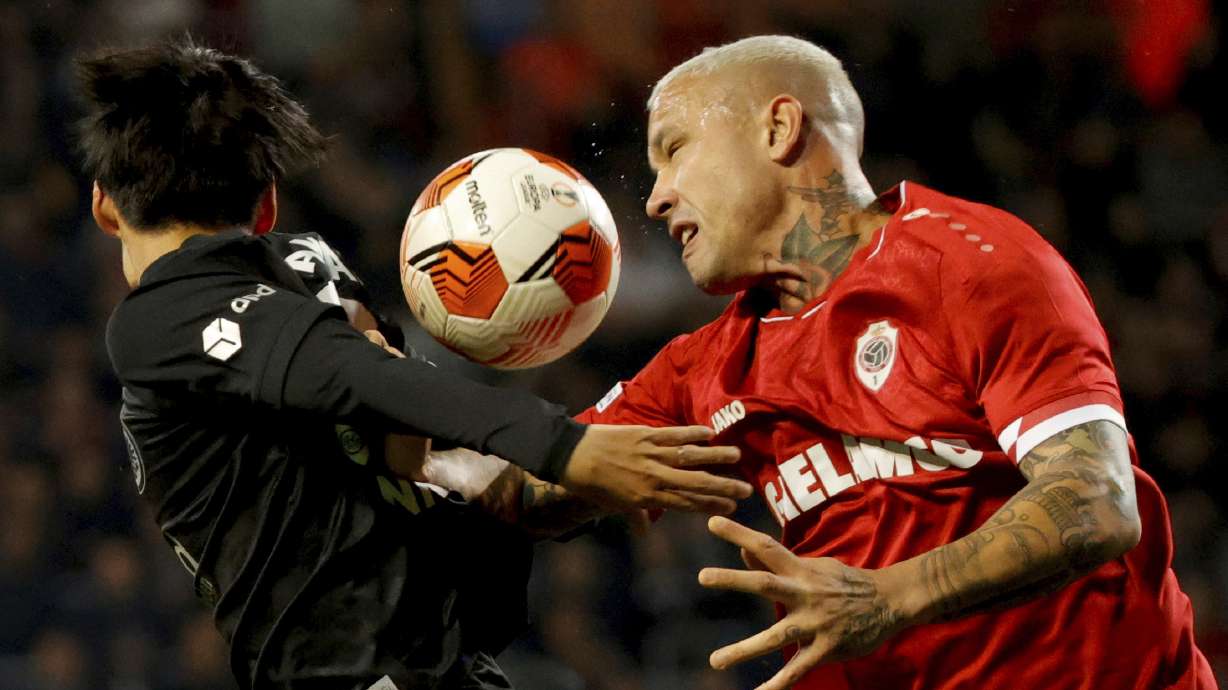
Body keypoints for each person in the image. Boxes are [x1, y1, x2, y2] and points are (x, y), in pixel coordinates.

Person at [80, 39, 752, 690]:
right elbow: (387, 419)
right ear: (267, 203)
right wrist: (556, 463)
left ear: (105, 204)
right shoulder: (307, 273)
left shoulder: (155, 320)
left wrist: (564, 452)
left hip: (363, 669)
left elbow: (376, 406)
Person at [578, 35, 1216, 689]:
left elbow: (1095, 501)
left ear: (778, 128)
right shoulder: (706, 367)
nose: (656, 199)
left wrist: (887, 598)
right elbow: (533, 481)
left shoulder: (970, 267)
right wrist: (472, 401)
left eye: (675, 150)